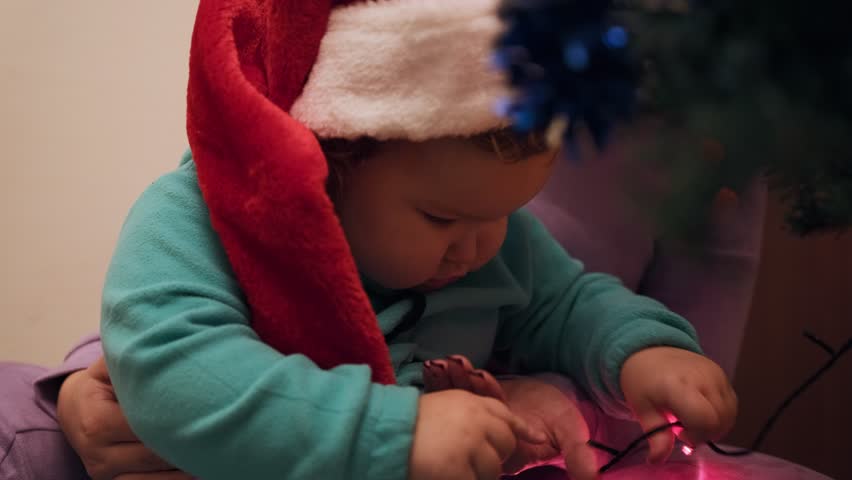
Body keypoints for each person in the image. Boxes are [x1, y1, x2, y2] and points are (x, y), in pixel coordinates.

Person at [3, 1, 741, 480]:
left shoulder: (490, 234)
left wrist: (644, 350)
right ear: (326, 165)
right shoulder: (201, 217)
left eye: (506, 214)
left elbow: (565, 302)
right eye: (442, 221)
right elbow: (174, 375)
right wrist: (391, 430)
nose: (485, 247)